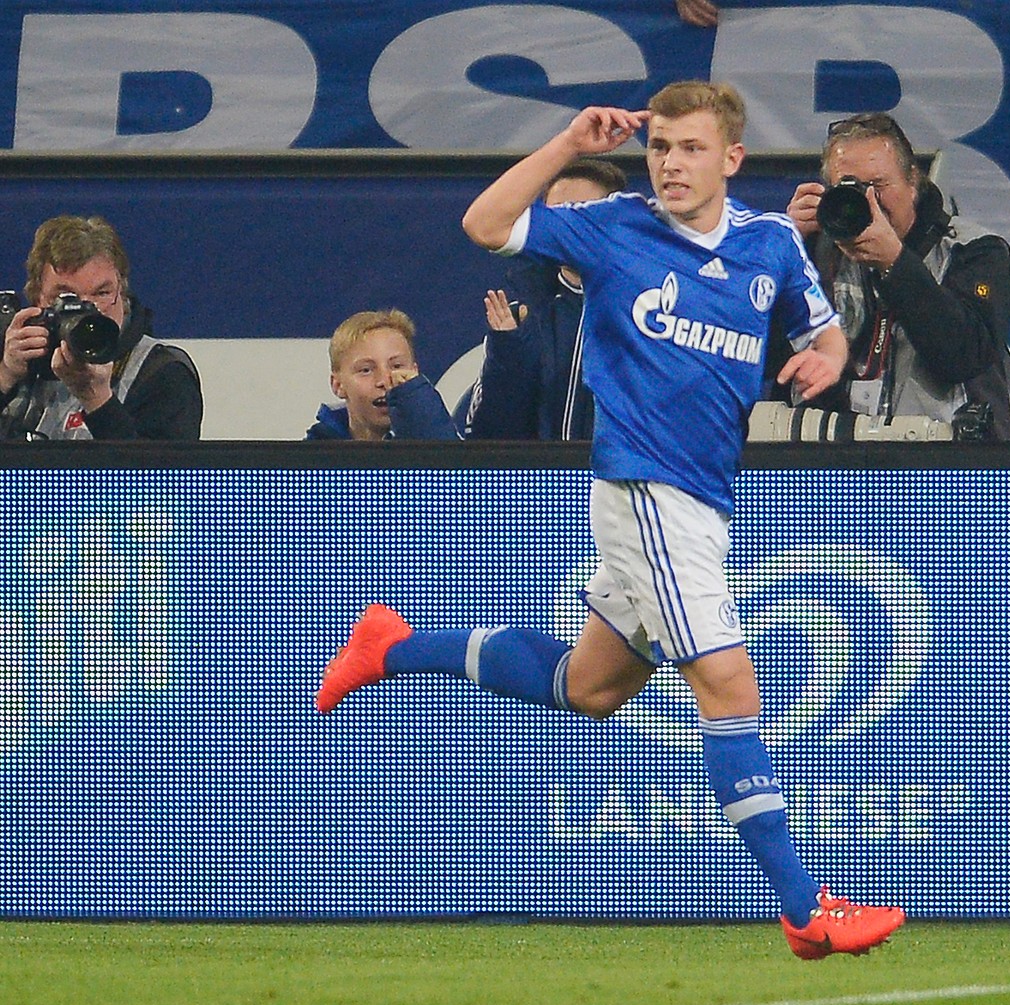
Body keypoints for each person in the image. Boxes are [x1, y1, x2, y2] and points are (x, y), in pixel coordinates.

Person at [316, 80, 904, 958]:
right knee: (730, 689)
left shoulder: (772, 241)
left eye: (690, 148)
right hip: (643, 491)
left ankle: (394, 646)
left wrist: (827, 361)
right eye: (659, 146)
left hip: (707, 501)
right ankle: (804, 906)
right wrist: (563, 145)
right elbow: (483, 224)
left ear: (731, 159)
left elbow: (824, 336)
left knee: (588, 689)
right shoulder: (615, 226)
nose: (670, 163)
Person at [774, 111, 1010, 440]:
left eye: (878, 185)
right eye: (850, 188)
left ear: (913, 183)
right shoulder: (812, 253)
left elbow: (965, 356)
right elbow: (756, 358)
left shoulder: (973, 250)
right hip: (828, 459)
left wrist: (894, 262)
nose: (868, 202)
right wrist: (779, 253)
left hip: (939, 462)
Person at [458, 159, 628, 440]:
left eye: (581, 214)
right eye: (556, 217)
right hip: (543, 482)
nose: (567, 229)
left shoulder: (652, 312)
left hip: (624, 482)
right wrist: (508, 355)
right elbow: (489, 437)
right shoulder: (518, 320)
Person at [0, 215, 201, 440]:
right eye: (67, 297)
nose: (87, 310)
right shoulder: (15, 358)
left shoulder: (162, 373)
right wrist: (5, 376)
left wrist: (96, 399)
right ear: (38, 299)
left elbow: (158, 474)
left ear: (121, 295)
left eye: (102, 293)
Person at [305, 309, 458, 440]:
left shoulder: (444, 438)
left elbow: (450, 466)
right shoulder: (311, 459)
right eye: (366, 370)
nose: (384, 381)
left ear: (415, 373)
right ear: (338, 385)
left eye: (396, 366)